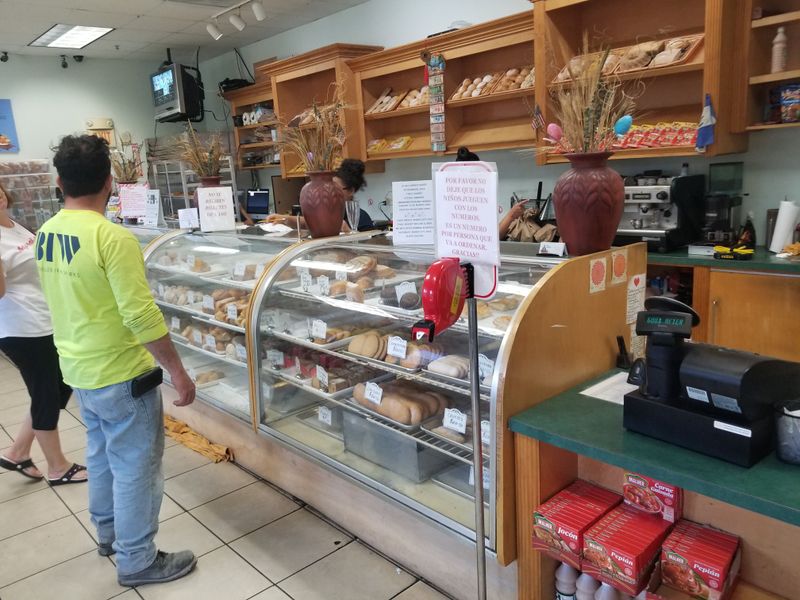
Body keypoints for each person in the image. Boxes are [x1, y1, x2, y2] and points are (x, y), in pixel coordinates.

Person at [36, 135, 197, 587]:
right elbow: (140, 315)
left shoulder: (47, 232)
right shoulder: (112, 237)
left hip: (78, 368)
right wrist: (178, 371)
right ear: (109, 182)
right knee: (136, 468)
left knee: (103, 455)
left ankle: (108, 534)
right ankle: (138, 558)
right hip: (123, 374)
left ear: (59, 183)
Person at [0, 181, 88, 485]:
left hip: (43, 321)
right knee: (46, 394)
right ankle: (57, 467)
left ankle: (18, 452)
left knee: (59, 386)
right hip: (22, 330)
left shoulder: (13, 225)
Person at [265, 158, 375, 231]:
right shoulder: (327, 212)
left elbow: (368, 253)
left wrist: (348, 232)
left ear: (350, 191)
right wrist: (284, 219)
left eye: (335, 188)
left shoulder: (362, 219)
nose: (329, 193)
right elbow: (307, 223)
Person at [455, 146, 527, 240]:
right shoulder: (465, 206)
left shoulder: (473, 200)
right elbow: (491, 239)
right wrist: (511, 215)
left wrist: (511, 215)